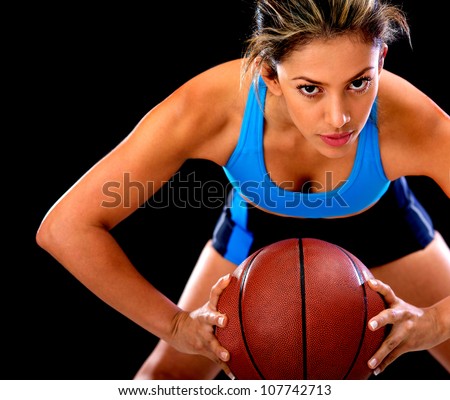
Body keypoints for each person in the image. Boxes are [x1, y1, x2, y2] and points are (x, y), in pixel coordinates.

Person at [36, 0, 450, 380]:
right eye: (310, 88)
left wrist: (436, 322)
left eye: (359, 83)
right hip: (255, 231)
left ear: (381, 58)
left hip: (383, 227)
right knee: (160, 385)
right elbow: (66, 228)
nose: (339, 117)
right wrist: (176, 325)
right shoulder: (209, 109)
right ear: (269, 74)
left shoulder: (415, 123)